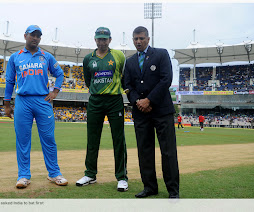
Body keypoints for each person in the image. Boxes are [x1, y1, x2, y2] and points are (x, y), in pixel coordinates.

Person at [4, 25, 68, 189]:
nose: (35, 38)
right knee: (23, 140)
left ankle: (54, 173)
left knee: (48, 139)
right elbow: (10, 81)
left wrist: (55, 92)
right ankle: (23, 176)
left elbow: (60, 74)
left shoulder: (46, 56)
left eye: (38, 36)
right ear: (25, 36)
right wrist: (6, 104)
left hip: (43, 101)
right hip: (22, 101)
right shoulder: (15, 57)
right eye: (32, 35)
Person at [124, 26, 179, 198]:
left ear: (148, 39)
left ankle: (173, 190)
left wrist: (149, 100)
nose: (138, 41)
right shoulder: (130, 61)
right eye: (135, 39)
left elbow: (166, 79)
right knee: (144, 151)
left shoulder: (161, 54)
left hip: (161, 110)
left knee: (168, 152)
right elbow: (127, 85)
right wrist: (137, 101)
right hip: (141, 113)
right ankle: (149, 187)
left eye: (141, 38)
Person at [76, 27, 128, 192]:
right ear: (95, 39)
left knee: (118, 139)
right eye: (99, 39)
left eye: (105, 39)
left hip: (114, 101)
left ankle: (121, 177)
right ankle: (90, 174)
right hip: (95, 101)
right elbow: (88, 80)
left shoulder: (118, 56)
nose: (102, 42)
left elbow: (123, 76)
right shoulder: (88, 59)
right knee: (92, 139)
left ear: (110, 40)